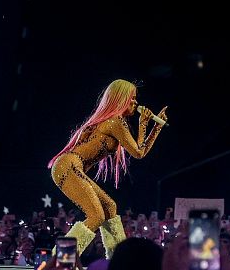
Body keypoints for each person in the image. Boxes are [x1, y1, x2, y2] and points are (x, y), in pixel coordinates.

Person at [48, 79, 167, 258]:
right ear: (121, 100)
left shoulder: (113, 121)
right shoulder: (115, 121)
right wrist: (145, 125)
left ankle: (118, 257)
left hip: (70, 166)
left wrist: (156, 128)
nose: (135, 103)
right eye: (132, 99)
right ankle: (61, 259)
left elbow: (139, 151)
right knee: (96, 216)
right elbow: (138, 152)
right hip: (68, 166)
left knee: (110, 207)